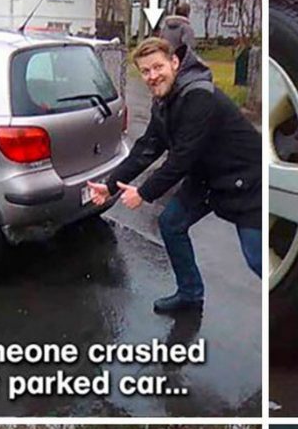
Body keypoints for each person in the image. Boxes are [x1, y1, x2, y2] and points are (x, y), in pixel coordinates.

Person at [87, 36, 261, 313]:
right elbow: (148, 147)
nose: (152, 76)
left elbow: (182, 157)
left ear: (175, 62)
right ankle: (190, 293)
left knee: (257, 258)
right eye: (145, 71)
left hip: (246, 180)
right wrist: (111, 185)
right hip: (206, 179)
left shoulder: (198, 96)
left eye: (158, 67)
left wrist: (144, 193)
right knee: (171, 223)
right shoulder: (164, 100)